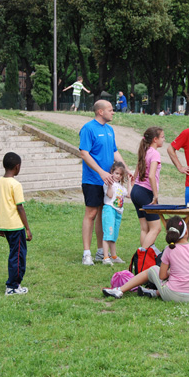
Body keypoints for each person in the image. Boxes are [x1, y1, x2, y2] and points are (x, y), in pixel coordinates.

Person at [102, 216, 189, 301]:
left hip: (172, 295)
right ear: (186, 233)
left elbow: (162, 276)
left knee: (152, 269)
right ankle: (153, 293)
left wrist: (172, 272)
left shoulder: (169, 249)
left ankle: (120, 290)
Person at [79, 100, 129, 265]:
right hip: (93, 179)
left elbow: (115, 151)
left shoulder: (109, 130)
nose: (113, 112)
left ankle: (102, 251)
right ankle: (87, 253)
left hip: (109, 182)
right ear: (100, 112)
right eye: (110, 109)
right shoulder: (88, 128)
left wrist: (127, 170)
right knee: (91, 214)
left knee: (104, 214)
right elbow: (84, 154)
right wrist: (101, 172)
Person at [0, 152, 32, 296]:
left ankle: (15, 284)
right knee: (18, 255)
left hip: (5, 225)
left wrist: (0, 225)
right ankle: (13, 286)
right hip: (16, 226)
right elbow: (19, 207)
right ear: (17, 167)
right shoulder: (15, 185)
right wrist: (27, 228)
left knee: (14, 253)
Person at [131, 127, 165, 252]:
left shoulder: (144, 151)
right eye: (162, 137)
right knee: (156, 228)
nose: (164, 139)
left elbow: (136, 173)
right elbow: (151, 175)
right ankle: (142, 254)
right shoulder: (155, 153)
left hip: (136, 191)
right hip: (145, 192)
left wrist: (133, 183)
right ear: (155, 139)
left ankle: (146, 256)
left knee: (145, 228)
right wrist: (155, 196)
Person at [101, 161, 131, 266]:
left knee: (113, 235)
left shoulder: (120, 186)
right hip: (109, 209)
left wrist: (129, 182)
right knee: (108, 234)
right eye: (117, 173)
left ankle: (113, 256)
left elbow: (129, 195)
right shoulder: (108, 183)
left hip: (118, 212)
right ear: (112, 172)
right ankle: (105, 257)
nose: (118, 176)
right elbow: (109, 195)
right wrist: (109, 186)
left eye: (121, 174)